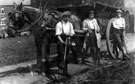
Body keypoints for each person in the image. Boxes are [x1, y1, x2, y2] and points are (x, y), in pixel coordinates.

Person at [55, 11, 75, 75]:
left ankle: (65, 70)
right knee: (61, 55)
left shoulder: (70, 24)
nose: (67, 18)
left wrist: (69, 39)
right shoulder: (59, 24)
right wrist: (62, 42)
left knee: (66, 55)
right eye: (65, 17)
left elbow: (72, 33)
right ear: (62, 17)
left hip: (67, 39)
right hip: (61, 40)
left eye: (68, 17)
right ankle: (60, 69)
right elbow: (57, 35)